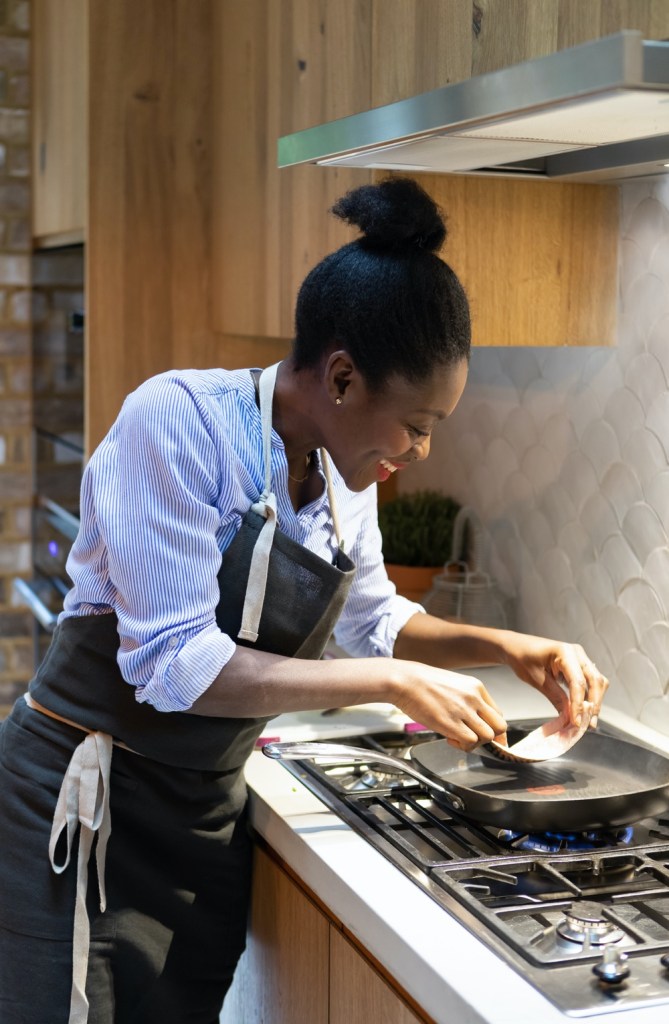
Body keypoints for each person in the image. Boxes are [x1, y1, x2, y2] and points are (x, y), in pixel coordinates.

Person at [0, 177, 608, 1024]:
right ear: (342, 377)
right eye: (418, 423)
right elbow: (177, 664)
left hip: (203, 813)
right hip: (87, 801)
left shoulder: (341, 466)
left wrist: (507, 645)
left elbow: (374, 619)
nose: (422, 450)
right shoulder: (177, 424)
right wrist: (388, 683)